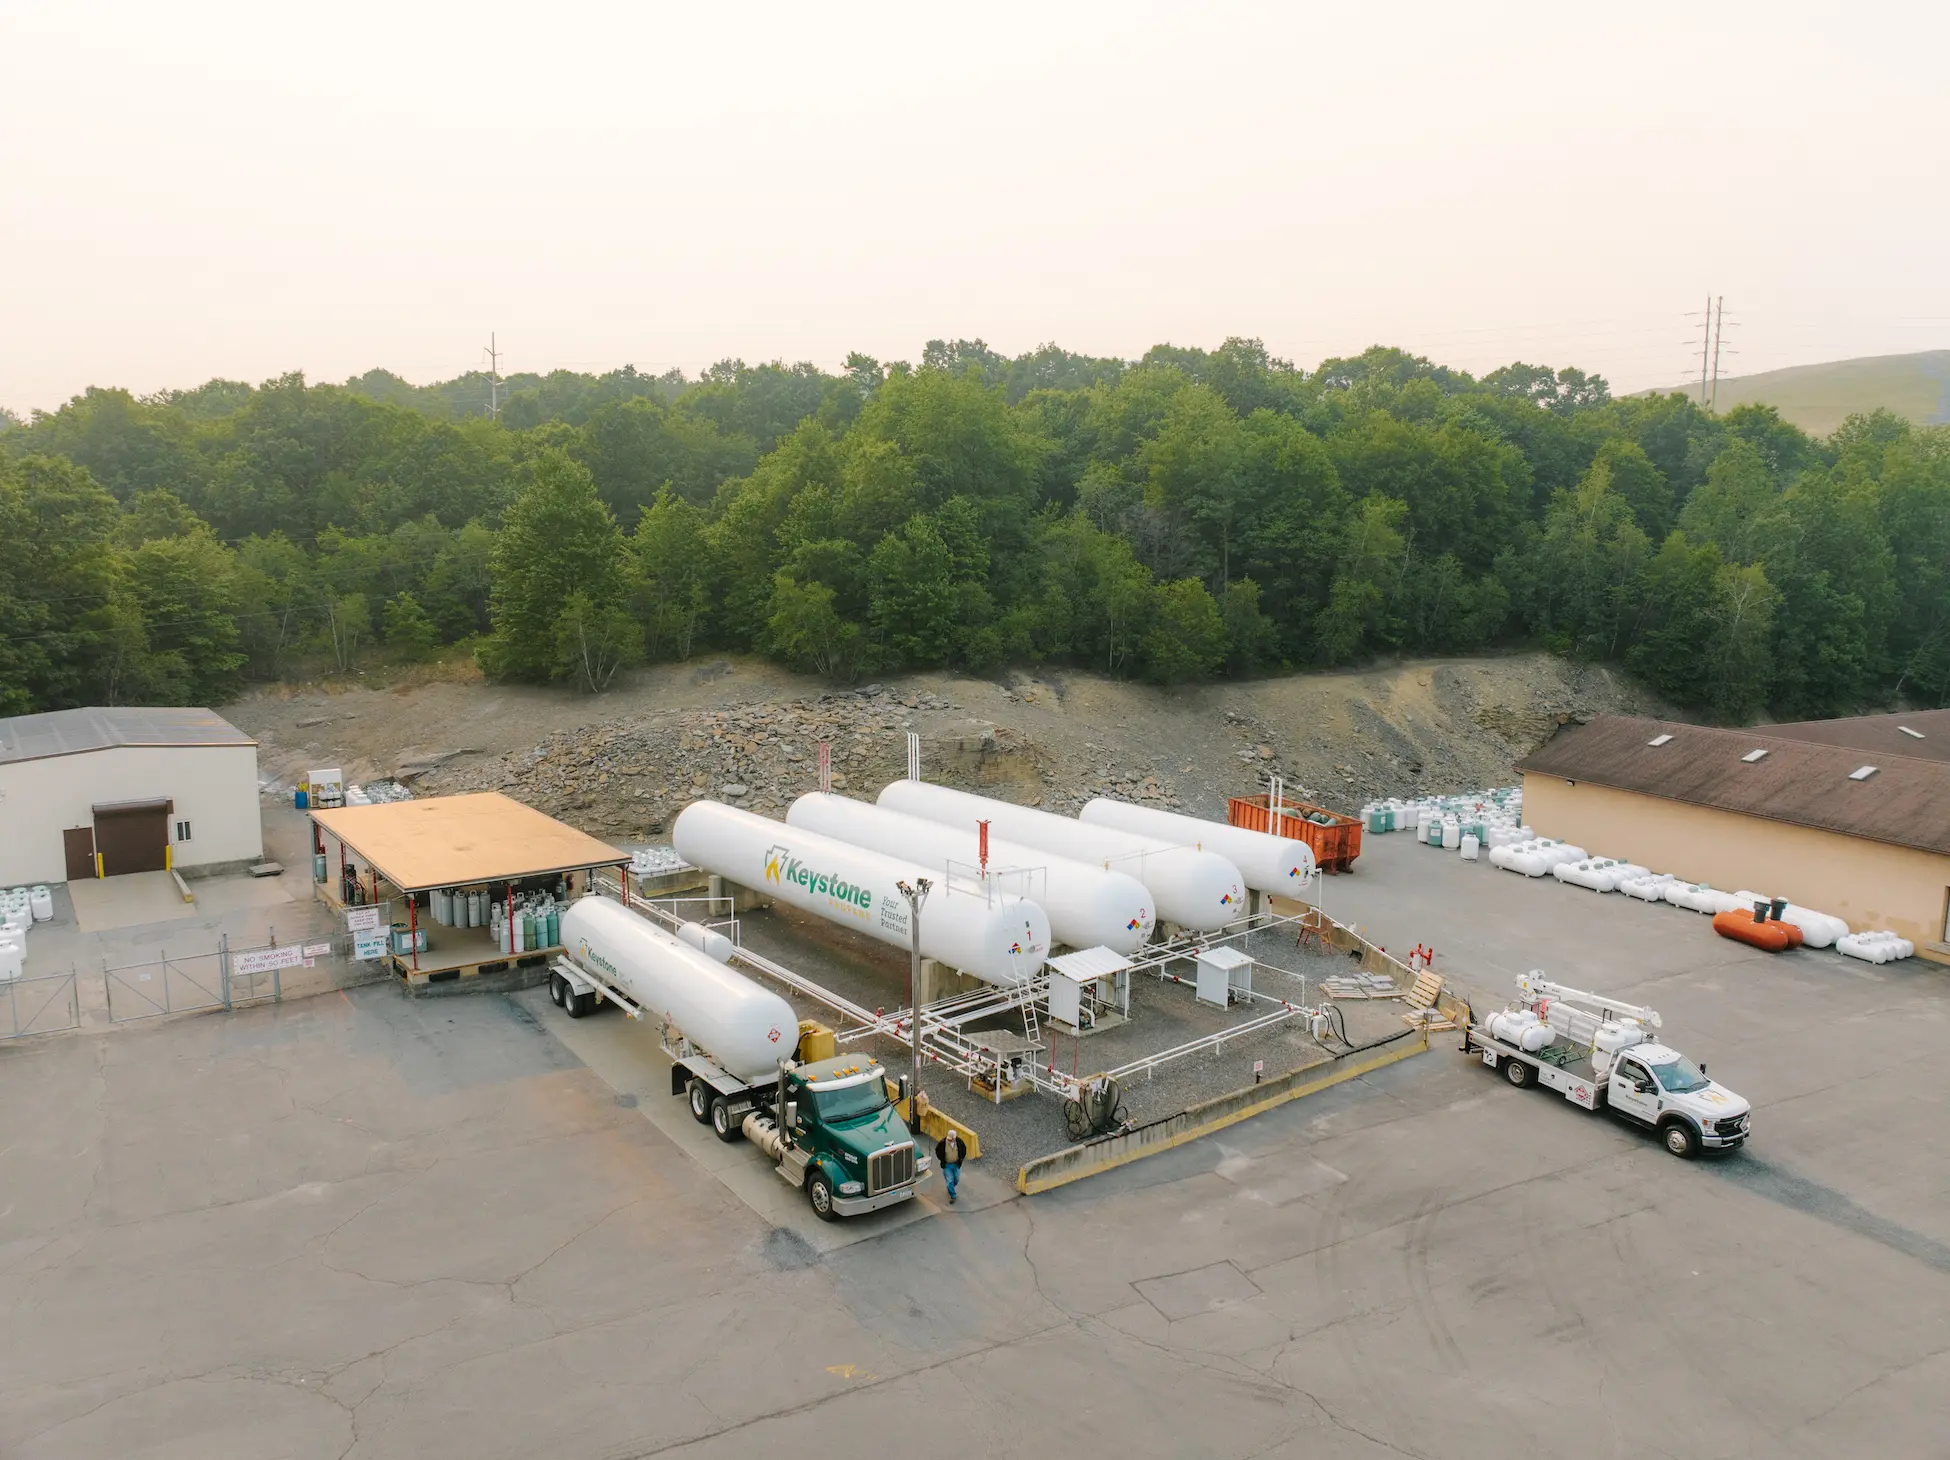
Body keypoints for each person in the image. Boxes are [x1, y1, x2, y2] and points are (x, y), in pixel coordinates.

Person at [935, 1126, 964, 1205]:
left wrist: (960, 1159)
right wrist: (942, 1159)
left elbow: (964, 1149)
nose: (950, 1140)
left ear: (955, 1138)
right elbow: (937, 1151)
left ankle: (950, 1188)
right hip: (947, 1165)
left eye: (951, 1138)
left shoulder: (959, 1142)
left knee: (956, 1179)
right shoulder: (942, 1143)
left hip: (956, 1164)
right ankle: (953, 1195)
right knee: (949, 1181)